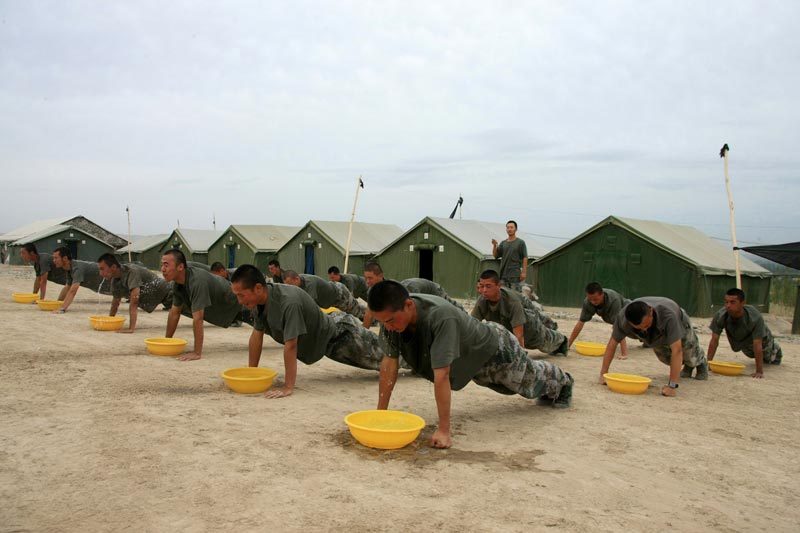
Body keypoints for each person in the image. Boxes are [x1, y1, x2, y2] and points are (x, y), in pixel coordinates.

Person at [369, 280, 574, 449]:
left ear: (408, 305)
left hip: (495, 350)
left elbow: (442, 375)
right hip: (469, 360)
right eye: (383, 322)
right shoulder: (393, 320)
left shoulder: (440, 316)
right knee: (509, 388)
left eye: (390, 321)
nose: (387, 327)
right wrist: (380, 417)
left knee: (529, 384)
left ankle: (564, 381)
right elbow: (389, 365)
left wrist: (444, 430)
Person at [230, 265, 386, 398]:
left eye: (241, 295)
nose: (240, 301)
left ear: (258, 288)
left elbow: (291, 345)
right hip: (328, 342)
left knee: (388, 359)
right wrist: (251, 374)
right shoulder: (259, 303)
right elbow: (256, 336)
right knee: (380, 363)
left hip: (343, 334)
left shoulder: (288, 302)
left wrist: (288, 387)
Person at [600, 297, 708, 397]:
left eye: (646, 325)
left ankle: (700, 362)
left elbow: (677, 350)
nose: (644, 330)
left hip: (678, 319)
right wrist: (603, 374)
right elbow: (612, 345)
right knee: (665, 358)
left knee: (688, 349)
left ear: (651, 312)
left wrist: (672, 386)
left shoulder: (668, 316)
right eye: (639, 329)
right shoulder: (622, 319)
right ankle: (688, 365)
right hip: (657, 332)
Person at [161, 249, 248, 361]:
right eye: (162, 265)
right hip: (223, 308)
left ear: (180, 267)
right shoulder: (178, 285)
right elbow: (174, 312)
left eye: (166, 265)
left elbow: (198, 319)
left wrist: (197, 353)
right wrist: (167, 342)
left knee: (270, 324)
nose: (163, 269)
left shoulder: (197, 280)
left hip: (238, 304)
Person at [472, 270, 567, 355]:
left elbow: (519, 335)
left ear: (498, 286)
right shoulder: (482, 301)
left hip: (529, 326)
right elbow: (472, 326)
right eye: (482, 286)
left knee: (544, 339)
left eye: (488, 286)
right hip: (513, 319)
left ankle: (563, 340)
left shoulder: (511, 302)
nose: (484, 290)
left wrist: (520, 358)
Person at [707, 288, 783, 378]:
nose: (728, 305)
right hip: (744, 342)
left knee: (769, 357)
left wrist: (759, 371)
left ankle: (776, 350)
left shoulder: (754, 317)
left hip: (763, 340)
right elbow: (714, 340)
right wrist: (708, 364)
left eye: (732, 302)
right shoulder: (720, 315)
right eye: (726, 302)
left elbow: (757, 344)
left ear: (742, 303)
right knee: (751, 354)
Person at [97, 253, 173, 333]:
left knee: (185, 309)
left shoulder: (131, 272)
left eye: (102, 269)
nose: (100, 273)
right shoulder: (115, 280)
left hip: (168, 292)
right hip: (159, 297)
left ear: (113, 267)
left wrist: (131, 328)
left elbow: (134, 301)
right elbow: (115, 302)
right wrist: (110, 321)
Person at [568, 282, 631, 358]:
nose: (592, 302)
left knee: (638, 331)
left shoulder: (614, 300)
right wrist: (568, 345)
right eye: (590, 299)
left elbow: (618, 327)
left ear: (602, 294)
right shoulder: (588, 302)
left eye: (595, 299)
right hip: (620, 322)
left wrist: (624, 354)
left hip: (630, 313)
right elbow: (581, 322)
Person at [282, 270, 366, 320]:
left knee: (356, 312)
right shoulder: (297, 281)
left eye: (290, 284)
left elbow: (311, 307)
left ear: (296, 279)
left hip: (339, 295)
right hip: (331, 298)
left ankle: (373, 317)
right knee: (356, 309)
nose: (290, 288)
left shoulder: (310, 284)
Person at [51, 246, 111, 313]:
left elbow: (73, 291)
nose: (54, 260)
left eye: (56, 258)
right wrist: (57, 304)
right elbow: (67, 287)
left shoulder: (77, 268)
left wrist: (62, 309)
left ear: (65, 258)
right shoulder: (69, 269)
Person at [491, 220, 528, 291]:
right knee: (503, 295)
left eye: (511, 227)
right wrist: (494, 246)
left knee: (515, 296)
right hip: (503, 274)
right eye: (508, 228)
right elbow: (495, 255)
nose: (509, 229)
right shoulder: (503, 243)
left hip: (515, 275)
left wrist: (524, 272)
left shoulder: (520, 242)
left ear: (516, 229)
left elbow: (525, 257)